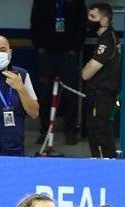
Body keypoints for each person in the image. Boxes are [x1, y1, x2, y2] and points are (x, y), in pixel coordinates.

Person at [30, 0, 86, 144]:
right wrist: (39, 48)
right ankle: (45, 131)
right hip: (46, 54)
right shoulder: (40, 2)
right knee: (45, 94)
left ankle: (70, 131)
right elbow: (35, 24)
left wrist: (75, 49)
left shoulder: (77, 2)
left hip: (68, 54)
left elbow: (81, 26)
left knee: (70, 94)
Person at [82, 3, 120, 158]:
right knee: (98, 132)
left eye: (93, 17)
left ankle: (102, 165)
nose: (89, 20)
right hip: (100, 95)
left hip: (101, 96)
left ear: (104, 19)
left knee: (99, 133)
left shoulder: (107, 41)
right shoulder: (106, 38)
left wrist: (85, 69)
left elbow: (87, 73)